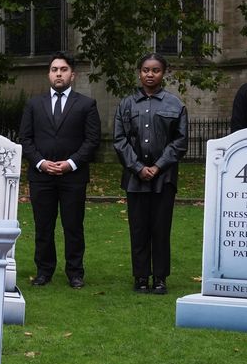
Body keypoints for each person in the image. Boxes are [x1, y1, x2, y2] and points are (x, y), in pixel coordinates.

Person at [19, 52, 101, 289]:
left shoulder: (86, 104)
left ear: (72, 75)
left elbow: (92, 140)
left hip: (73, 177)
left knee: (73, 226)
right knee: (43, 226)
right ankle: (44, 271)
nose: (58, 73)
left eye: (63, 69)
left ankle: (75, 272)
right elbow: (25, 138)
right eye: (54, 69)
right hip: (41, 176)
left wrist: (71, 163)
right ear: (48, 74)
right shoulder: (34, 104)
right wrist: (41, 162)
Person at [113, 53, 188, 295]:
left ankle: (160, 278)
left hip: (163, 179)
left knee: (160, 228)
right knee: (138, 229)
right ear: (139, 72)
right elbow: (120, 139)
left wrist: (158, 167)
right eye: (145, 69)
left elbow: (180, 141)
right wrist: (137, 167)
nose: (150, 74)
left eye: (155, 70)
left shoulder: (175, 105)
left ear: (163, 73)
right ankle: (141, 277)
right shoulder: (126, 104)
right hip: (135, 179)